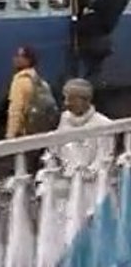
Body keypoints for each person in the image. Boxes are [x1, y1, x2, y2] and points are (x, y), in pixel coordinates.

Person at [38, 79, 114, 264]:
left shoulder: (103, 123)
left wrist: (84, 173)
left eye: (70, 99)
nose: (66, 104)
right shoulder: (64, 120)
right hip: (67, 187)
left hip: (91, 187)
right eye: (65, 98)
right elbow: (54, 149)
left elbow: (104, 158)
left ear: (84, 100)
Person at [73, 0, 129, 85]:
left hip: (96, 37)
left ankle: (88, 94)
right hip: (101, 37)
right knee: (93, 69)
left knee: (90, 69)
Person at [6, 45, 59, 139]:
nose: (15, 58)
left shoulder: (20, 82)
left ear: (28, 60)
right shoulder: (41, 82)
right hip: (43, 134)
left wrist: (10, 135)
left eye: (19, 56)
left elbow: (16, 110)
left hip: (26, 135)